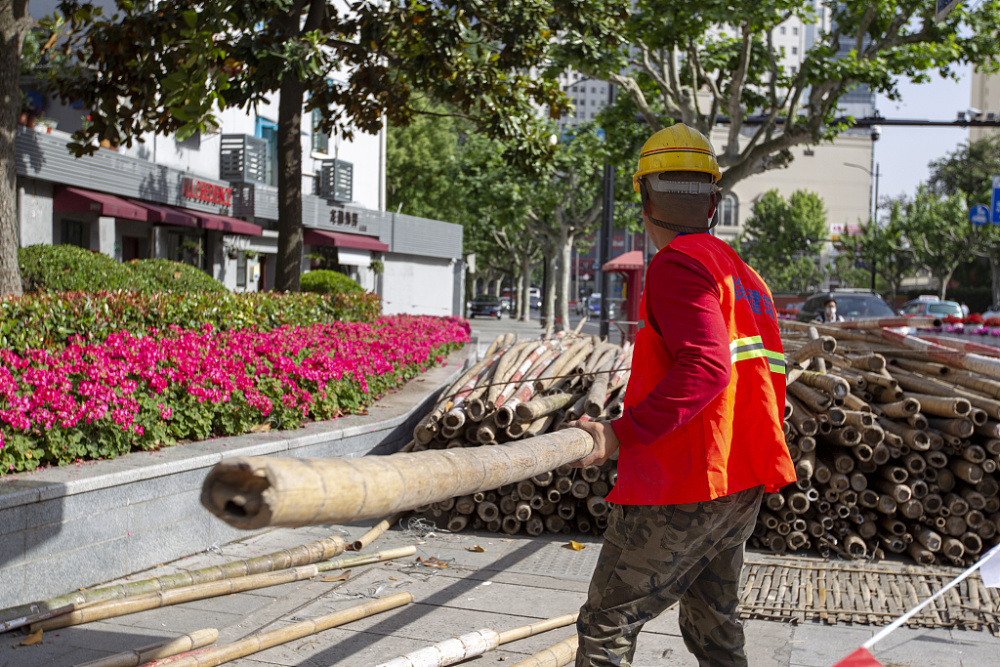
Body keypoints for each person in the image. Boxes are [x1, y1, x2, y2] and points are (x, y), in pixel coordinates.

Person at [568, 124, 797, 667]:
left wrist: (618, 433)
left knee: (607, 623)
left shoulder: (677, 266)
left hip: (686, 479)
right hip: (740, 480)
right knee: (714, 623)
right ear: (715, 200)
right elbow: (768, 381)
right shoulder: (744, 275)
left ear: (643, 196)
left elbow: (708, 367)